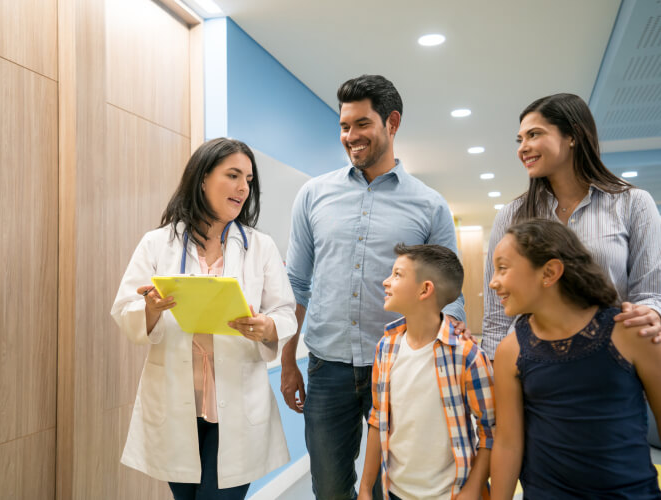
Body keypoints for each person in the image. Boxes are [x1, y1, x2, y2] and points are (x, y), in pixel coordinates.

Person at [282, 74, 468, 499]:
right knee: (329, 488)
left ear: (392, 122)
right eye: (345, 126)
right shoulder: (313, 195)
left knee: (393, 484)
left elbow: (448, 297)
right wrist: (288, 359)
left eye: (362, 124)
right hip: (327, 368)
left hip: (403, 368)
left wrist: (447, 365)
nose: (351, 136)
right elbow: (296, 283)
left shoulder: (429, 204)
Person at [111, 138, 297, 500]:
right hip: (176, 402)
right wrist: (149, 310)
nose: (243, 187)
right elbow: (123, 309)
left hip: (236, 404)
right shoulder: (157, 243)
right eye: (232, 175)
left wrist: (267, 326)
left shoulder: (259, 246)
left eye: (248, 179)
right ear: (202, 179)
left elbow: (284, 310)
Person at [489, 219, 661, 498]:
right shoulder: (511, 350)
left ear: (550, 272)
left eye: (502, 268)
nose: (493, 281)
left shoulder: (630, 332)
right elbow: (508, 443)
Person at [482, 93, 661, 359]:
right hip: (532, 366)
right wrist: (494, 372)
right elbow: (496, 316)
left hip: (611, 360)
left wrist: (651, 313)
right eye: (520, 139)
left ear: (573, 136)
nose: (522, 147)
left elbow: (650, 293)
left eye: (534, 134)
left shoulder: (632, 203)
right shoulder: (511, 216)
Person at [358, 244, 494, 500]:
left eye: (397, 274)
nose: (386, 281)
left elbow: (491, 432)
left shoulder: (467, 355)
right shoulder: (386, 348)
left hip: (450, 495)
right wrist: (366, 487)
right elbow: (377, 419)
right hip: (395, 493)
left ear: (425, 289)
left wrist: (474, 488)